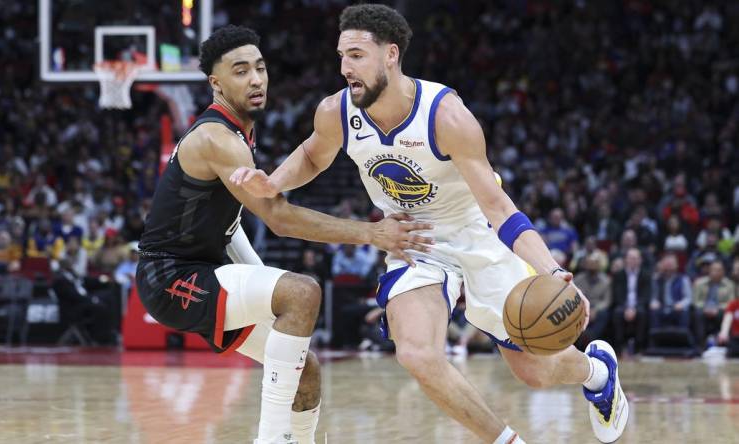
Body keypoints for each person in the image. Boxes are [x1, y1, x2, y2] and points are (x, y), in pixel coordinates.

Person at [231, 5, 627, 443]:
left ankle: (595, 371)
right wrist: (274, 182)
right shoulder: (336, 112)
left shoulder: (446, 115)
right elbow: (311, 154)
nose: (345, 67)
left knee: (535, 370)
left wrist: (552, 270)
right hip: (412, 239)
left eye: (357, 55)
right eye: (342, 55)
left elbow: (497, 206)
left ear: (390, 55)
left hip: (476, 231)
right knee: (417, 353)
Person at [135, 25, 432, 444]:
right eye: (241, 71)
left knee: (303, 368)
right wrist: (374, 234)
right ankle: (272, 439)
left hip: (208, 265)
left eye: (260, 67)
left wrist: (262, 284)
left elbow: (229, 223)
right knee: (301, 292)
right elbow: (279, 219)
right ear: (216, 84)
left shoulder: (239, 131)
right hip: (169, 277)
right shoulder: (217, 138)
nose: (256, 79)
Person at [610, 248, 652, 353]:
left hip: (638, 305)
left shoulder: (646, 275)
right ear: (626, 260)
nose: (633, 261)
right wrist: (626, 308)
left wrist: (634, 308)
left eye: (636, 258)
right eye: (631, 258)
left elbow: (646, 295)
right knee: (617, 313)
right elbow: (617, 295)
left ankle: (638, 346)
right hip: (623, 304)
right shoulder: (619, 275)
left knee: (642, 313)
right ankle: (620, 346)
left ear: (640, 260)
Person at [692, 261, 735, 348]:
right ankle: (700, 345)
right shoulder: (699, 283)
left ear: (723, 272)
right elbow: (695, 301)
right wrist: (705, 308)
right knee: (698, 314)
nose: (716, 272)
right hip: (704, 309)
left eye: (719, 270)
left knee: (725, 315)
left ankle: (723, 344)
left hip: (720, 310)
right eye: (713, 270)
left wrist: (717, 309)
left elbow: (731, 302)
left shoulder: (729, 285)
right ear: (709, 271)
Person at [649, 253, 692, 330]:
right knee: (653, 311)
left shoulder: (683, 279)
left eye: (671, 264)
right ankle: (654, 339)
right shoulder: (656, 279)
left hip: (676, 308)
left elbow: (688, 298)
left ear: (677, 265)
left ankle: (682, 338)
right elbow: (652, 296)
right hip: (661, 308)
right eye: (667, 264)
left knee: (684, 312)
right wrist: (653, 302)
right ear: (662, 265)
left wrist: (681, 304)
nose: (669, 266)